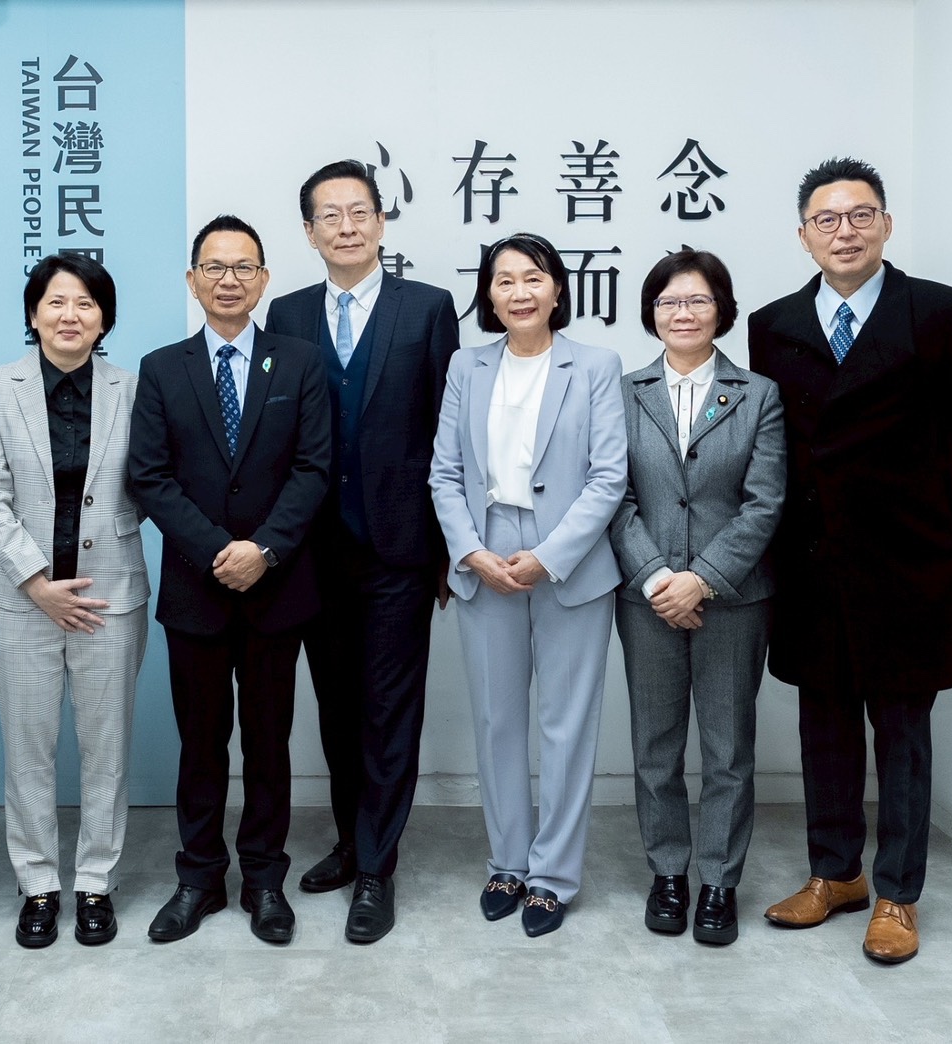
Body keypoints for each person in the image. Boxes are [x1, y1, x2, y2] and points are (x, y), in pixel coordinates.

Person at [749, 157, 952, 964]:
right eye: (827, 219)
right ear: (804, 235)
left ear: (886, 224)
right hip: (812, 553)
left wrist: (892, 497)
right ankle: (835, 873)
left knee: (903, 731)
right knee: (823, 723)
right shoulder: (773, 324)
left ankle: (897, 894)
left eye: (860, 216)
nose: (844, 231)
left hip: (905, 554)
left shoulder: (942, 312)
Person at [264, 159, 459, 943]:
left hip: (398, 548)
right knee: (337, 707)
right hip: (312, 551)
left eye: (358, 212)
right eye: (329, 215)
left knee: (389, 709)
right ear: (309, 232)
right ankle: (351, 841)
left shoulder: (428, 308)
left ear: (381, 221)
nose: (346, 227)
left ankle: (378, 865)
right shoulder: (286, 313)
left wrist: (444, 551)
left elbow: (447, 434)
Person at [128, 215, 330, 946]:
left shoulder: (299, 362)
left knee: (269, 744)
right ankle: (199, 879)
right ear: (192, 280)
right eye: (214, 267)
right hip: (197, 590)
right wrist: (221, 550)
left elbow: (314, 467)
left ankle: (265, 880)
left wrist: (264, 550)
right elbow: (150, 475)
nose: (229, 280)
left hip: (277, 590)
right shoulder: (162, 367)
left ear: (264, 279)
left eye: (244, 267)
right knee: (201, 744)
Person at [429, 232, 627, 938]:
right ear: (488, 294)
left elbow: (608, 476)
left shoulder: (596, 365)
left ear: (557, 288)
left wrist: (548, 555)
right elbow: (445, 472)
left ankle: (553, 877)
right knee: (497, 720)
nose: (520, 292)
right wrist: (469, 552)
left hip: (568, 560)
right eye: (505, 280)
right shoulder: (466, 366)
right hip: (486, 554)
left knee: (566, 725)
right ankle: (508, 862)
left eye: (534, 277)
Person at [0, 254, 150, 949]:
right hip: (20, 600)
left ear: (104, 319)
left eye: (85, 304)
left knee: (107, 748)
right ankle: (38, 883)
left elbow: (150, 482)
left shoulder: (132, 388)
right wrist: (36, 581)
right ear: (33, 312)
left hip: (109, 593)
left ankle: (96, 882)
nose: (70, 315)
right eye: (56, 302)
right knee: (28, 748)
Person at [608, 249, 786, 946]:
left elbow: (764, 503)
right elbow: (613, 496)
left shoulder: (757, 394)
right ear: (651, 313)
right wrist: (658, 578)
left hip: (733, 601)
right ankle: (668, 873)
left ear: (722, 310)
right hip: (646, 599)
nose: (683, 314)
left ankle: (718, 881)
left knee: (728, 749)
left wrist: (702, 578)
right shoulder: (623, 392)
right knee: (654, 746)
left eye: (698, 301)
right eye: (669, 302)